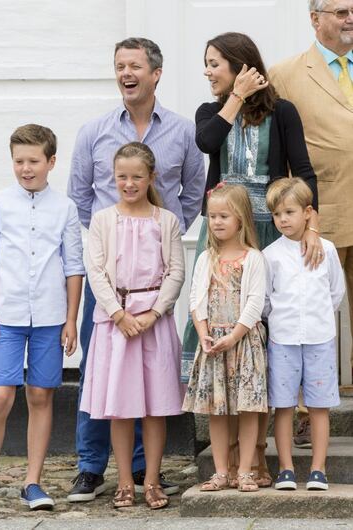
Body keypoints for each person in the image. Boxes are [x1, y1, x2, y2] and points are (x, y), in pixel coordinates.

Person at [180, 31, 321, 489]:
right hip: (224, 230)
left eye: (215, 63)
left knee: (261, 333)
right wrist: (235, 98)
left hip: (268, 232)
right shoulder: (211, 112)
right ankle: (233, 461)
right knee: (227, 333)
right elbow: (207, 143)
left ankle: (256, 458)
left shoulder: (282, 112)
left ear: (241, 65)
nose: (207, 70)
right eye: (207, 63)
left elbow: (301, 171)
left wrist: (310, 227)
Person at [67, 37, 205, 502]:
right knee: (98, 370)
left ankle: (148, 471)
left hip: (153, 281)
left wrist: (160, 232)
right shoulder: (94, 131)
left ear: (155, 73)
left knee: (152, 376)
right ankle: (91, 466)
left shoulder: (182, 132)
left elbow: (192, 190)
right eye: (119, 66)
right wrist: (114, 238)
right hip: (110, 282)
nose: (126, 73)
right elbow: (81, 196)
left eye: (134, 66)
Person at [0, 124, 85, 512]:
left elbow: (73, 267)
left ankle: (33, 482)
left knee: (41, 395)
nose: (26, 168)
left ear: (51, 162)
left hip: (49, 315)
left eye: (33, 161)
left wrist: (71, 319)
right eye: (18, 161)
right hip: (6, 316)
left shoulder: (65, 208)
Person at [79, 142, 185, 509]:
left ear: (150, 177)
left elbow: (175, 272)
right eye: (122, 176)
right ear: (114, 177)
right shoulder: (103, 220)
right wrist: (118, 314)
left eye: (137, 176)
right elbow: (95, 270)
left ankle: (152, 479)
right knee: (120, 407)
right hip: (116, 322)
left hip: (153, 321)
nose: (129, 183)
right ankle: (124, 480)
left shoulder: (165, 220)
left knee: (155, 407)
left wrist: (153, 313)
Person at [269, 0, 353, 448]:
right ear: (315, 18)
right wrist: (302, 218)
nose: (349, 18)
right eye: (339, 11)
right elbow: (279, 149)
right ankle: (304, 410)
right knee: (307, 310)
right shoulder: (285, 73)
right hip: (320, 214)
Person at [183, 183, 267, 493]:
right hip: (213, 344)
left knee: (247, 408)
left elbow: (255, 303)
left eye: (224, 216)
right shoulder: (206, 258)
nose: (216, 222)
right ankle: (221, 471)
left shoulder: (253, 258)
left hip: (243, 342)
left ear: (241, 220)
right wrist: (204, 335)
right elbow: (195, 299)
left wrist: (233, 336)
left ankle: (245, 470)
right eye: (212, 216)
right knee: (217, 411)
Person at [263, 177, 345, 490]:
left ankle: (318, 470)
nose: (282, 219)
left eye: (289, 212)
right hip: (283, 340)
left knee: (319, 406)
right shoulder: (271, 255)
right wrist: (285, 321)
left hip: (320, 339)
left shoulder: (327, 249)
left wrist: (316, 318)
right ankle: (285, 468)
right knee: (283, 405)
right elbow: (267, 301)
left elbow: (334, 292)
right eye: (277, 214)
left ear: (308, 212)